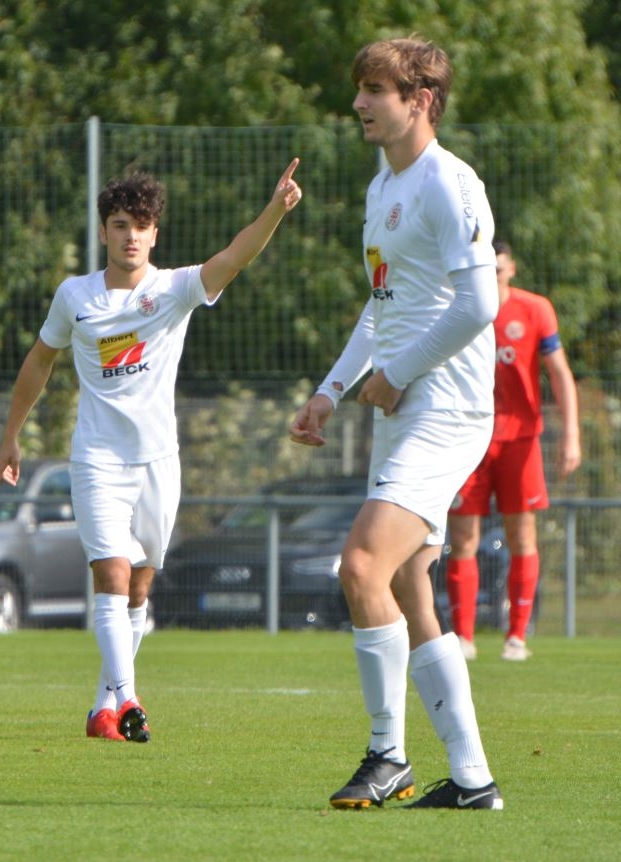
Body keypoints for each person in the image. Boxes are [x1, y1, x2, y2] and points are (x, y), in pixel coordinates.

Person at [0, 160, 303, 743]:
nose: (130, 235)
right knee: (111, 573)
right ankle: (131, 700)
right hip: (97, 461)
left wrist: (274, 209)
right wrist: (11, 434)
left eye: (140, 225)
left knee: (138, 587)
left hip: (159, 462)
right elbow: (40, 360)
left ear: (154, 233)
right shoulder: (75, 296)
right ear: (103, 232)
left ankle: (103, 706)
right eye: (119, 225)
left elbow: (235, 257)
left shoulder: (173, 289)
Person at [289, 37, 504, 810]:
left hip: (444, 410)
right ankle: (473, 782)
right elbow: (383, 305)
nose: (357, 103)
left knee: (358, 567)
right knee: (409, 583)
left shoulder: (449, 183)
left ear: (420, 99)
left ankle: (387, 756)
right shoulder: (384, 182)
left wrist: (398, 373)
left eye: (374, 90)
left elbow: (480, 305)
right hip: (402, 405)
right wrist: (331, 389)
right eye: (359, 88)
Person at [446, 240, 581, 662]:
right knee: (462, 537)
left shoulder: (535, 310)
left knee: (522, 534)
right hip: (468, 436)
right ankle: (463, 637)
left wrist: (571, 434)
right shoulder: (459, 307)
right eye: (486, 269)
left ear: (512, 270)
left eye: (499, 269)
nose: (493, 276)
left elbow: (559, 372)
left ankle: (517, 636)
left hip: (520, 440)